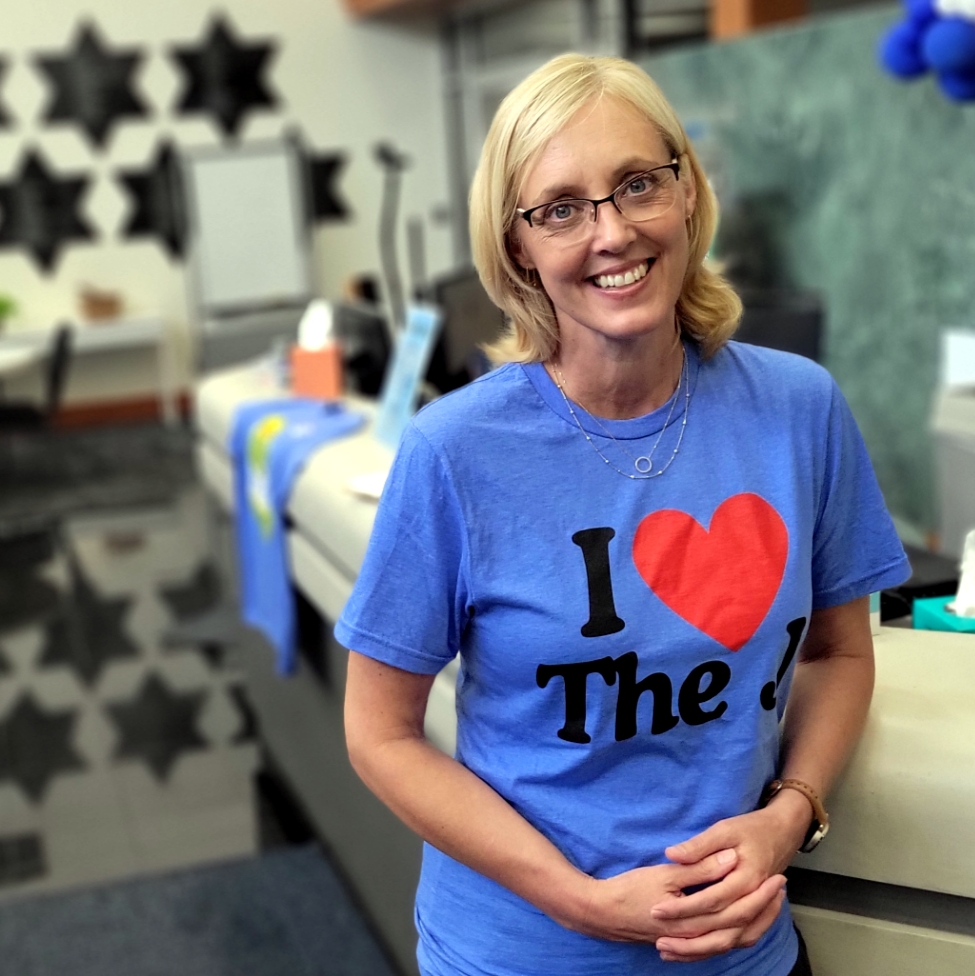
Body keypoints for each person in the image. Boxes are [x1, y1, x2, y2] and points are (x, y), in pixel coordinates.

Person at [337, 53, 909, 976]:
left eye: (637, 184)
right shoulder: (454, 452)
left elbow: (840, 653)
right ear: (518, 244)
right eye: (561, 208)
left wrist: (788, 812)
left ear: (685, 193)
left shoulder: (799, 410)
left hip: (744, 955)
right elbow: (380, 733)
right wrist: (579, 902)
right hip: (523, 953)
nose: (611, 232)